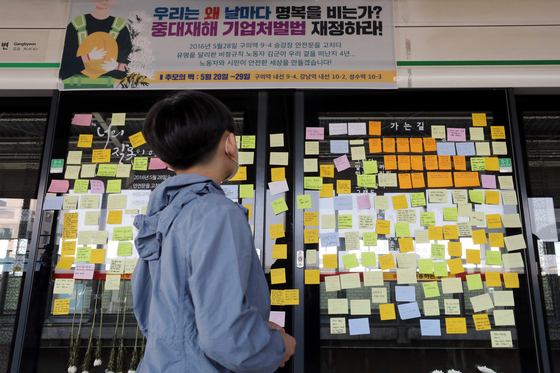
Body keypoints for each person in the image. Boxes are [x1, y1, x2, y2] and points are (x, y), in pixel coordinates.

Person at [131, 90, 296, 373]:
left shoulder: (162, 215)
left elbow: (153, 314)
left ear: (167, 161)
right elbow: (226, 338)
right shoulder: (216, 212)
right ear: (230, 143)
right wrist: (278, 346)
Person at [59, 0, 131, 85]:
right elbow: (64, 67)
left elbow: (128, 67)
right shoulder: (76, 25)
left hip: (108, 88)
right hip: (74, 86)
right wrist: (87, 57)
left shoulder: (121, 28)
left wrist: (116, 66)